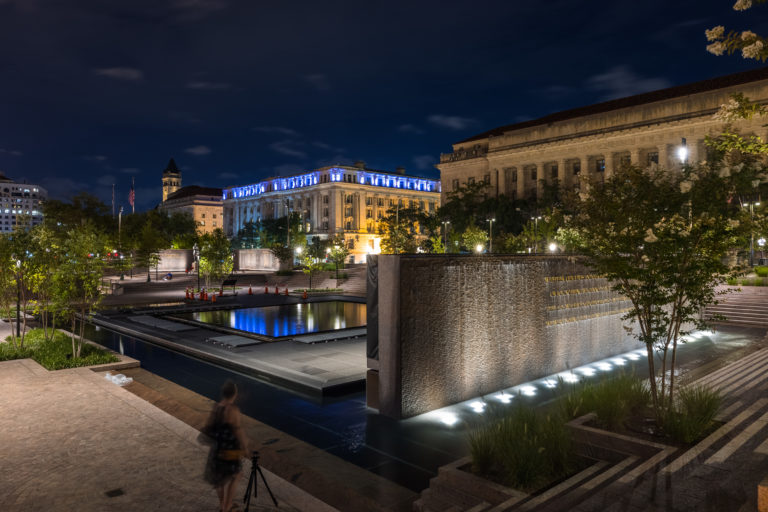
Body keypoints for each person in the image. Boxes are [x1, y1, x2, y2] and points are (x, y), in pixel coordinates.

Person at [204, 380, 249, 512]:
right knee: (237, 475)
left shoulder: (217, 407)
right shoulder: (233, 409)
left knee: (219, 479)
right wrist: (245, 447)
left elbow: (209, 426)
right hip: (229, 449)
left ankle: (223, 504)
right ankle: (227, 506)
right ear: (234, 394)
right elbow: (238, 430)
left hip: (217, 448)